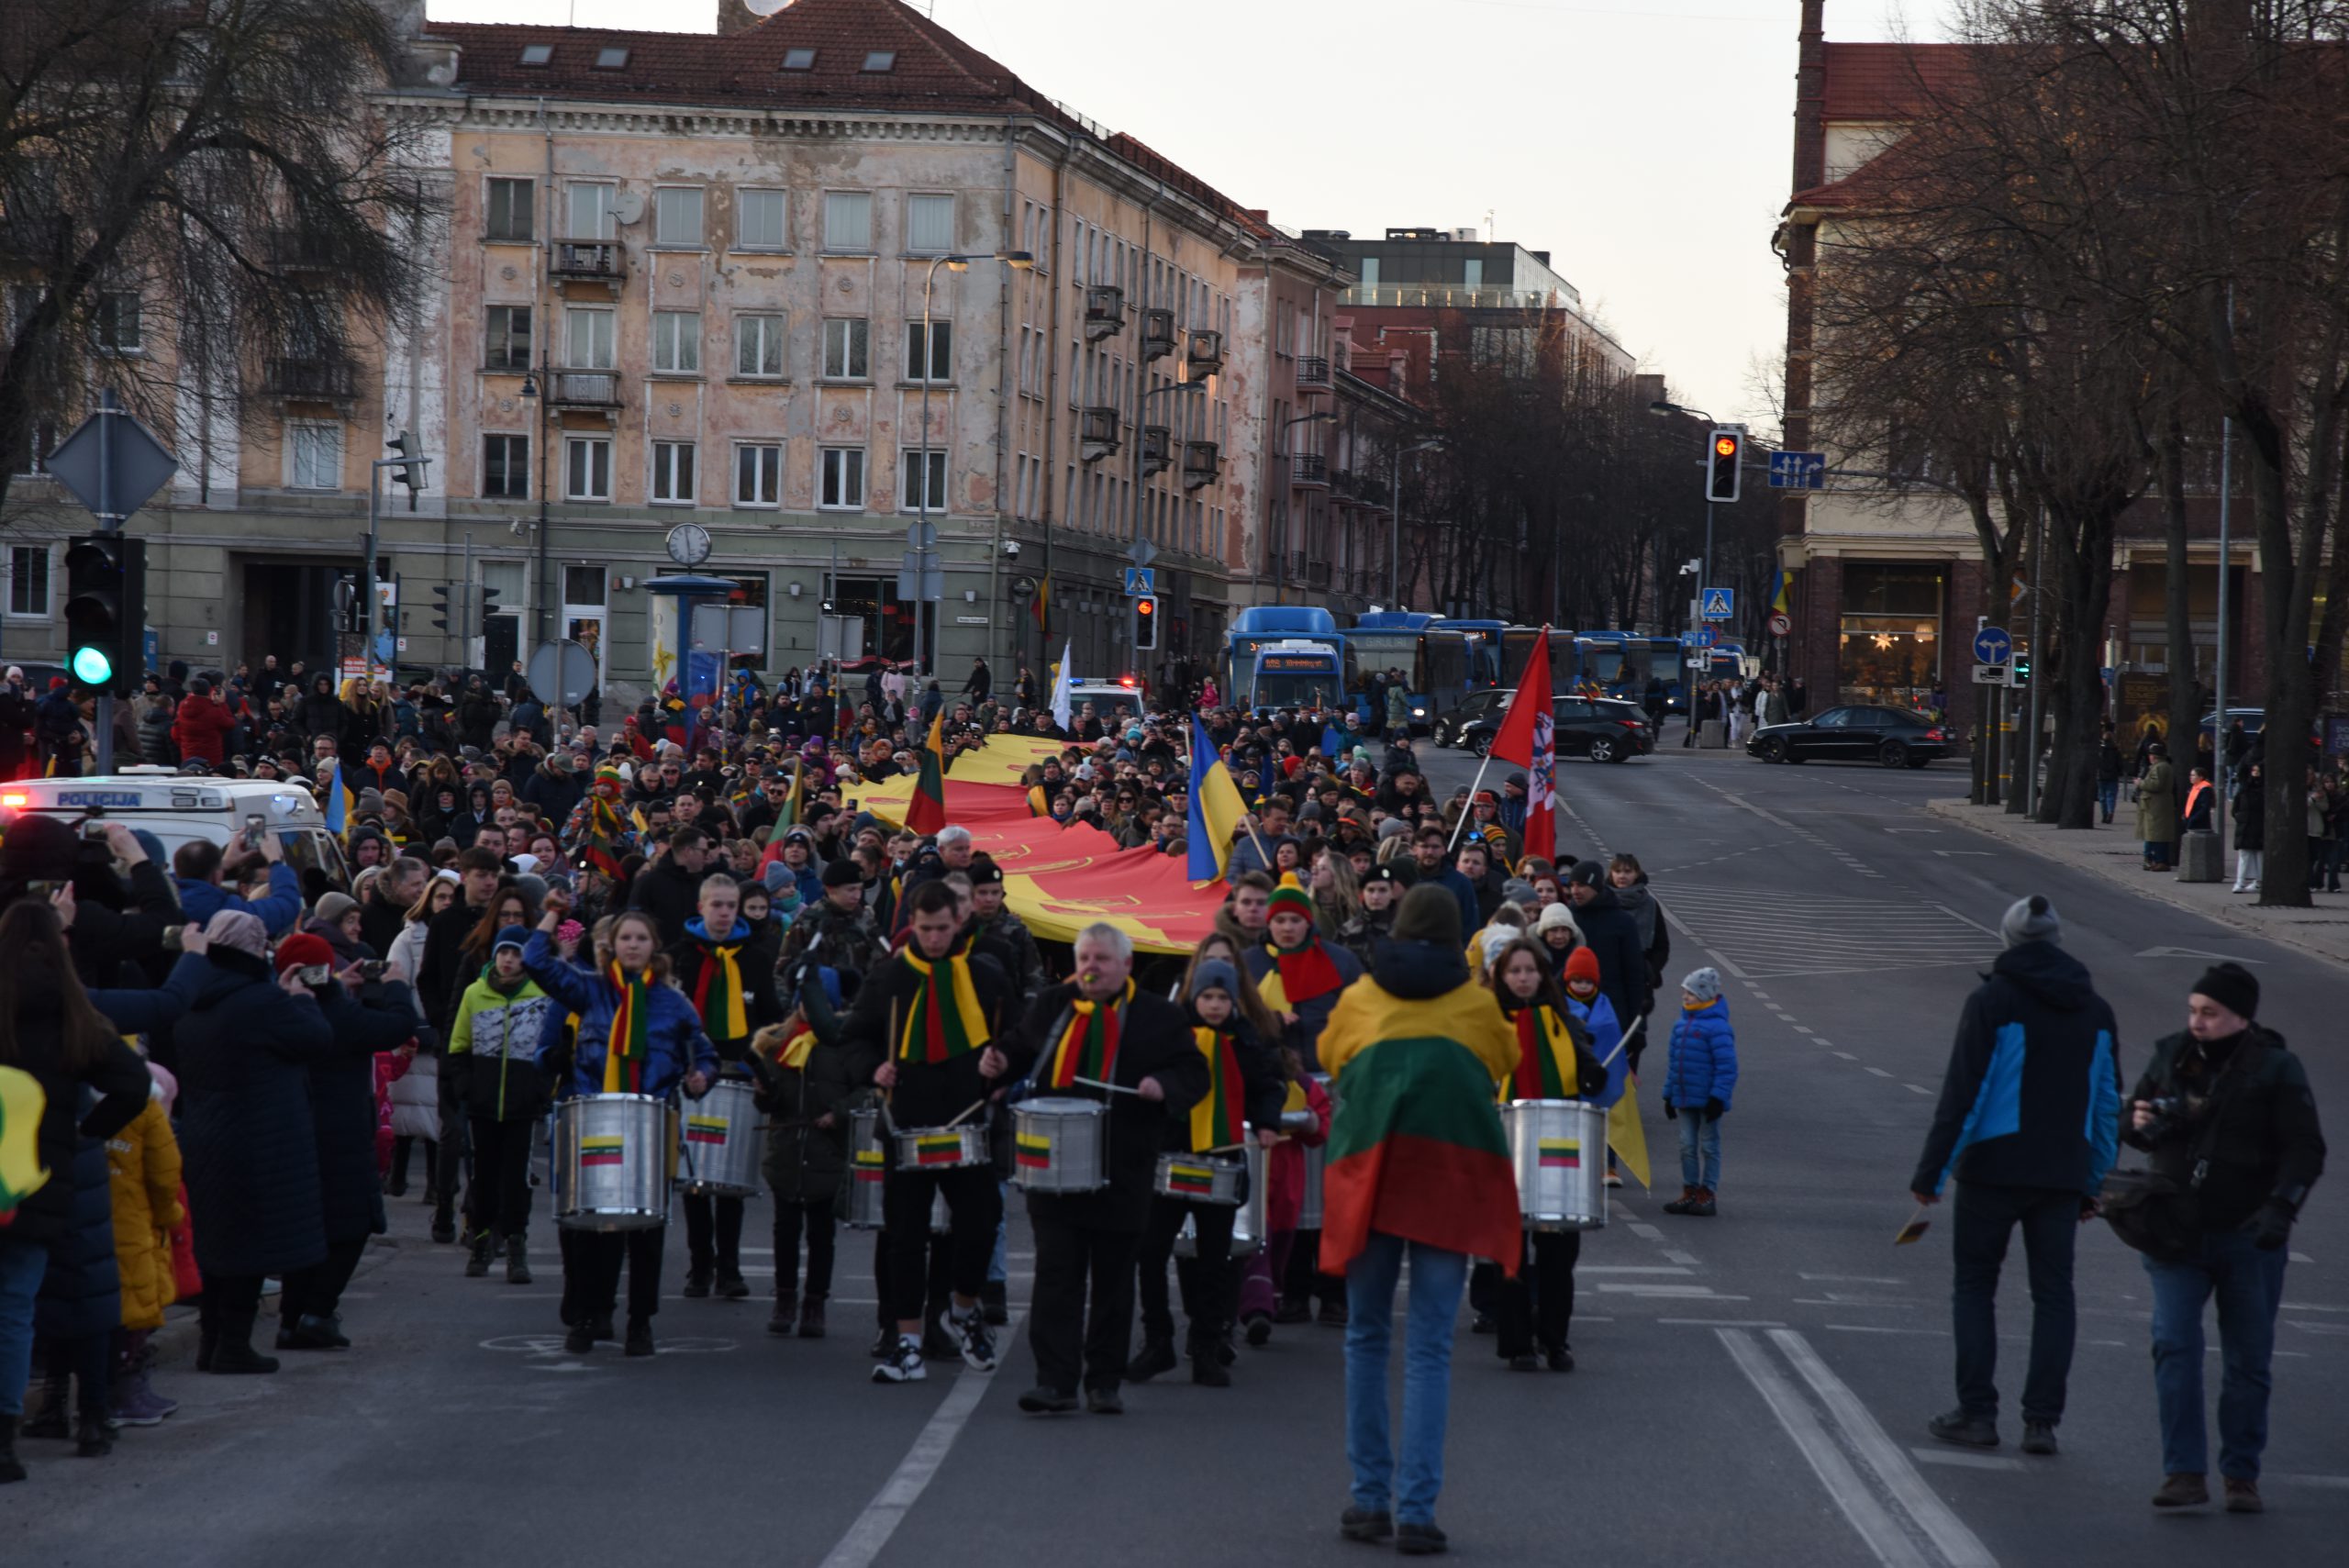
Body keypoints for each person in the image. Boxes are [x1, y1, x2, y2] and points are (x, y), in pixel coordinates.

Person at [1318, 884, 1520, 1554]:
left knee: (1366, 1337)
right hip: (1447, 1181)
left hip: (1371, 1177)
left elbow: (1330, 1057)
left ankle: (1368, 1499)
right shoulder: (1477, 1004)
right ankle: (1416, 1511)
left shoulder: (1361, 997)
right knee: (1430, 1347)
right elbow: (1506, 1059)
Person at [1908, 895, 2122, 1455]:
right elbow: (2106, 1106)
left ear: (2007, 940)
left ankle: (1977, 1414)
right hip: (2063, 1175)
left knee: (1975, 1287)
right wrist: (2094, 1181)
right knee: (2054, 1294)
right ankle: (2042, 1422)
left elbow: (1965, 1093)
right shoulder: (2096, 1011)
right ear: (2056, 941)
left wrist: (1932, 1174)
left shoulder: (1992, 1001)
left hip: (1992, 1170)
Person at [2122, 962, 2325, 1513]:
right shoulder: (2171, 1055)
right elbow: (2131, 1120)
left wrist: (2281, 1207)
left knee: (2248, 1361)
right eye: (2193, 1010)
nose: (2197, 1022)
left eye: (2209, 1013)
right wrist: (2138, 1122)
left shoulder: (2276, 1068)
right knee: (2173, 1344)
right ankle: (2183, 1472)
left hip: (2247, 1237)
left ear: (2241, 1017)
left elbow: (2306, 1147)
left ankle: (2241, 1474)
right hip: (2174, 1234)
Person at [1009, 921, 1204, 1414]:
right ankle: (1055, 1382)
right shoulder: (1054, 1005)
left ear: (1126, 964)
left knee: (1114, 1281)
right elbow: (1020, 1049)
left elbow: (1193, 1072)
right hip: (1055, 1168)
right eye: (1084, 960)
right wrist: (996, 1064)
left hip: (1124, 1166)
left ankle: (1104, 1381)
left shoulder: (1159, 1016)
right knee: (1056, 1276)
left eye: (1101, 959)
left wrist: (1164, 1086)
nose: (1090, 969)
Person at [838, 879, 1021, 1387]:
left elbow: (1019, 1034)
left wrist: (1003, 1061)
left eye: (943, 929)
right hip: (906, 1121)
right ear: (912, 925)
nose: (935, 938)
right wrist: (873, 1068)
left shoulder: (985, 975)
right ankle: (908, 1345)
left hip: (969, 1121)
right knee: (905, 1238)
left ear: (957, 922)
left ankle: (961, 1312)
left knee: (980, 1226)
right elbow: (852, 1038)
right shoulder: (889, 977)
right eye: (926, 929)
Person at [0, 902, 157, 1479]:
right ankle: (4, 1443)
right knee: (16, 1309)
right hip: (40, 1180)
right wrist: (85, 1132)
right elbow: (133, 1083)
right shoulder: (73, 1013)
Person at [523, 901, 717, 1358]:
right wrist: (552, 913)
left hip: (652, 1121)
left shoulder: (673, 1003)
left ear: (653, 947)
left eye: (641, 938)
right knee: (595, 1226)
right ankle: (591, 1314)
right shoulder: (590, 991)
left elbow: (703, 1053)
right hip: (600, 1118)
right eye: (626, 938)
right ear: (612, 945)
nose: (633, 945)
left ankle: (640, 1322)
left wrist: (701, 1077)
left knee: (648, 1230)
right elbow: (536, 961)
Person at [174, 911, 339, 1377]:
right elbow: (316, 1038)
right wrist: (301, 1000)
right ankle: (233, 1346)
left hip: (204, 1136)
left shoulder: (193, 996)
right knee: (248, 1248)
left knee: (215, 1245)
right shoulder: (259, 1001)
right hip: (258, 1140)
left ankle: (211, 1342)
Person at [1130, 956, 1285, 1389]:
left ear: (1234, 1001)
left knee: (1215, 1262)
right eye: (1207, 997)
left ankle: (1206, 1347)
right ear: (1193, 998)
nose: (1214, 1005)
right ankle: (1157, 1341)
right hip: (1172, 1158)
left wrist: (1268, 1123)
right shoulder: (1172, 1037)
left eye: (1222, 998)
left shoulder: (1246, 1041)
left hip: (1222, 1159)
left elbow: (1268, 1087)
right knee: (1151, 1253)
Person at [273, 931, 417, 1352]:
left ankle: (290, 1320)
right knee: (353, 1226)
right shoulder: (342, 1017)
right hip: (344, 1136)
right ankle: (318, 1312)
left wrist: (337, 985)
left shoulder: (282, 1010)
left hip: (295, 1133)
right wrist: (395, 985)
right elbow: (399, 1025)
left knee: (306, 1229)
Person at [1485, 937, 1605, 1373]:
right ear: (1502, 977)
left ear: (1541, 975)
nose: (1523, 978)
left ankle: (1555, 1339)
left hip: (1557, 1143)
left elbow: (1585, 1057)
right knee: (1510, 1252)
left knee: (1559, 1252)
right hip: (1505, 1143)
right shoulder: (1487, 1021)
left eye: (1530, 971)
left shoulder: (1561, 1018)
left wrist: (1592, 1073)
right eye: (1514, 971)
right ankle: (1518, 1343)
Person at [667, 872, 784, 1301]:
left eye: (730, 906)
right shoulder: (679, 957)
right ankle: (700, 1265)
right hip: (692, 1076)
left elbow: (770, 1017)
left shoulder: (755, 958)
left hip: (737, 1077)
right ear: (701, 907)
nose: (723, 912)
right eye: (716, 904)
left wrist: (763, 1064)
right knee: (695, 1178)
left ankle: (729, 1268)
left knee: (731, 1180)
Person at [746, 967, 854, 1340]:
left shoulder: (845, 1044)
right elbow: (771, 1105)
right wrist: (763, 1093)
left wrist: (838, 1113)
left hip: (827, 1150)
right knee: (785, 1230)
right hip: (787, 1150)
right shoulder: (777, 1042)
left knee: (822, 1234)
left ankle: (815, 1303)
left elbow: (864, 1091)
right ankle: (785, 1299)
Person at [446, 927, 555, 1284]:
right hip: (484, 1103)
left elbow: (550, 1050)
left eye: (516, 953)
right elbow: (458, 1045)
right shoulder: (475, 993)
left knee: (517, 1180)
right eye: (504, 952)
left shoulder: (541, 996)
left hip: (522, 1106)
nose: (509, 960)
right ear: (495, 955)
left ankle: (516, 1243)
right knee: (484, 1177)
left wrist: (539, 1091)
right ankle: (481, 1241)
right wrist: (467, 1087)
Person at [1661, 967, 1736, 1217]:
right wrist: (1668, 1094)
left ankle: (1707, 1192)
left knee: (1709, 1146)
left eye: (1690, 993)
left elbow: (1727, 1066)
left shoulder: (1718, 1027)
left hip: (1708, 1099)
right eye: (1684, 992)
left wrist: (1718, 1097)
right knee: (1686, 1145)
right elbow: (1674, 1063)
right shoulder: (1680, 1025)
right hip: (1684, 1096)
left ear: (1705, 995)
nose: (1685, 996)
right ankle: (1690, 1190)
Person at [2136, 741, 2177, 871]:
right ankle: (2156, 860)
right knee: (2155, 834)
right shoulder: (2161, 766)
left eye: (2150, 754)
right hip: (2156, 806)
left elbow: (2156, 785)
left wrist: (2141, 783)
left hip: (2156, 806)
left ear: (2154, 756)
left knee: (2156, 835)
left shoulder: (2160, 767)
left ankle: (2159, 860)